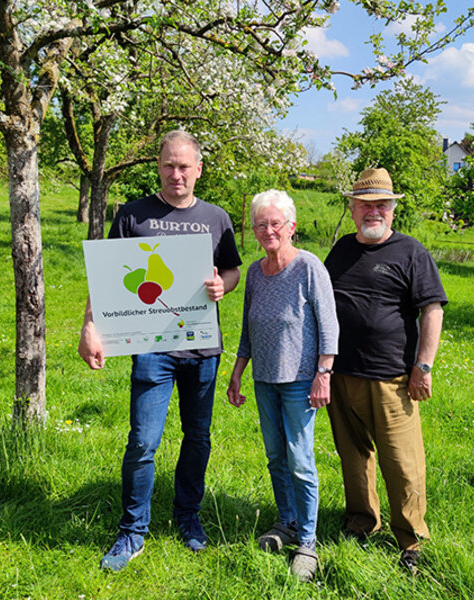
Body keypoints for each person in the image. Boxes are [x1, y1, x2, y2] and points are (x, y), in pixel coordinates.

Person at [78, 130, 242, 572]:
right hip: (150, 349)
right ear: (158, 166)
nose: (176, 174)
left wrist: (220, 286)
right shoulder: (133, 215)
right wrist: (89, 326)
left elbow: (232, 271)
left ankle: (188, 518)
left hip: (202, 347)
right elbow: (106, 278)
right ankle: (133, 531)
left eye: (185, 166)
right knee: (143, 441)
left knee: (198, 437)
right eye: (169, 165)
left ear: (199, 169)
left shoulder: (216, 218)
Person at [323, 167, 447, 575]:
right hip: (340, 373)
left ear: (392, 210)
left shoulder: (411, 252)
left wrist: (423, 367)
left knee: (402, 462)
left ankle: (411, 540)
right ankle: (362, 522)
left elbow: (432, 310)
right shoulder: (341, 250)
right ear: (354, 209)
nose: (372, 211)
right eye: (364, 205)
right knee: (353, 455)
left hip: (393, 378)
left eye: (380, 205)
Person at [226, 189, 338, 582]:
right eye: (261, 224)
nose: (269, 230)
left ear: (291, 226)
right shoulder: (256, 272)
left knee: (301, 461)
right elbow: (247, 329)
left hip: (300, 381)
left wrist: (323, 373)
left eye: (276, 223)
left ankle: (308, 541)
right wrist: (238, 371)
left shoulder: (309, 267)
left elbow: (329, 325)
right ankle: (286, 522)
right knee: (276, 457)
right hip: (264, 380)